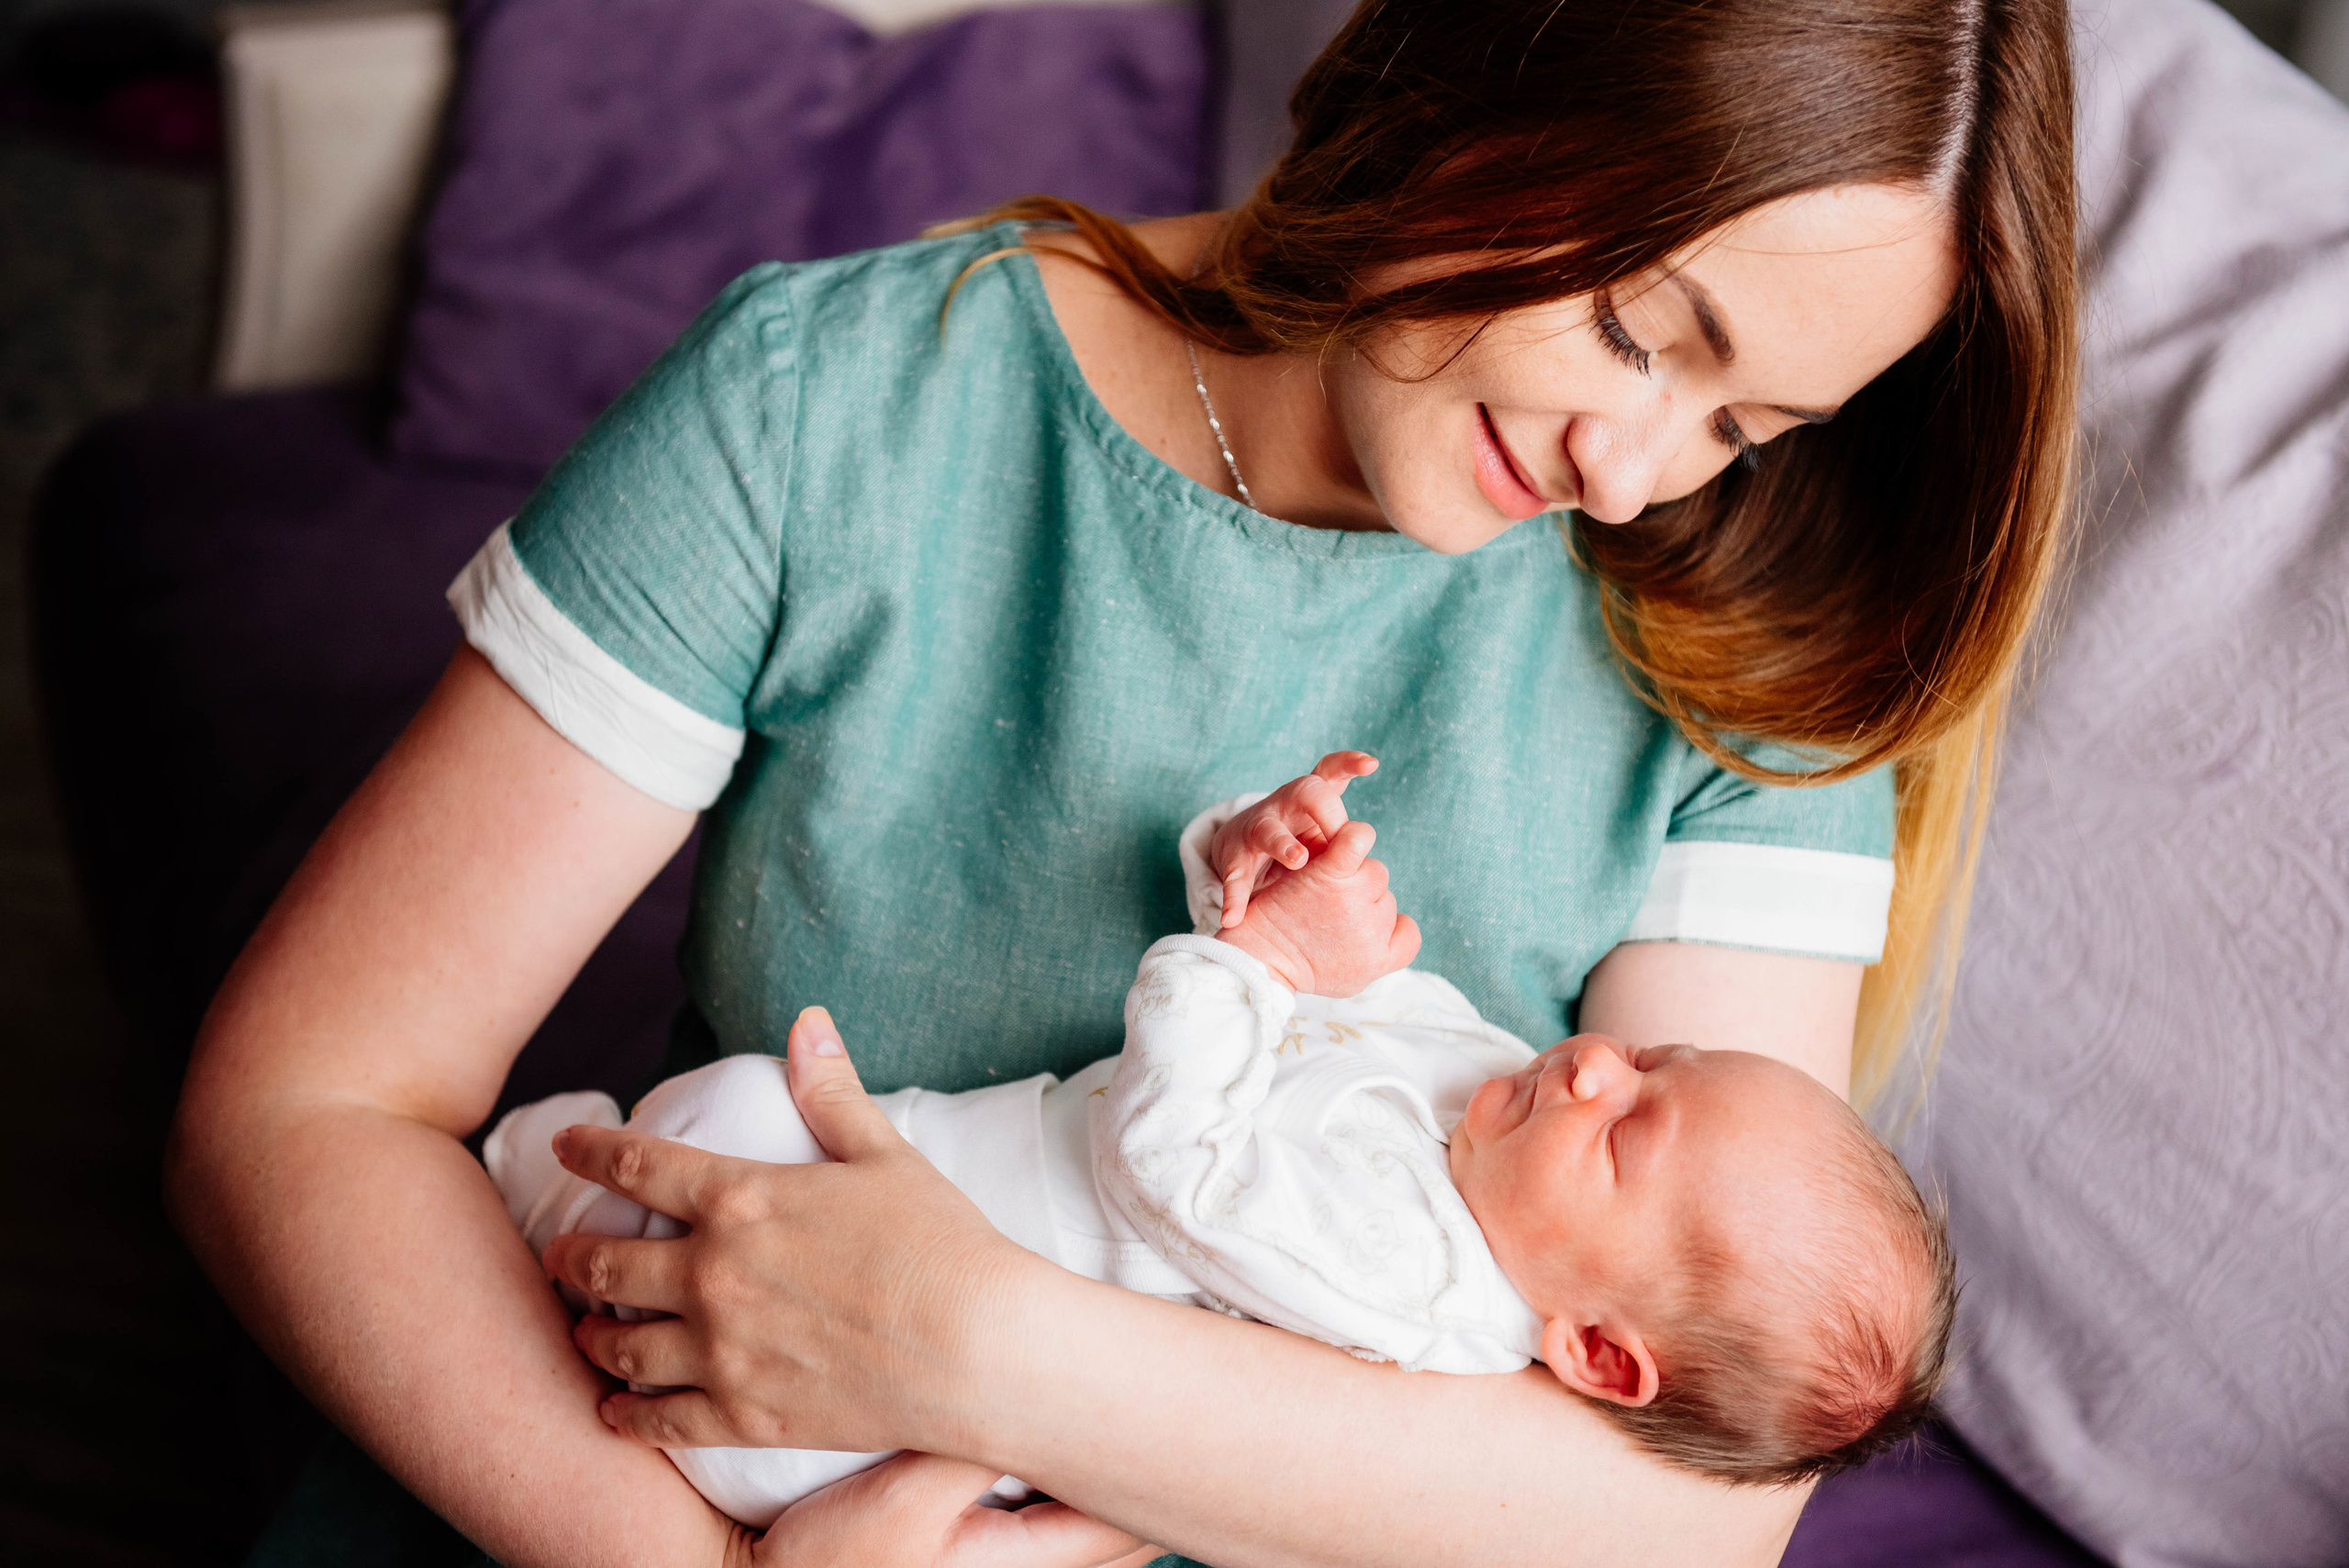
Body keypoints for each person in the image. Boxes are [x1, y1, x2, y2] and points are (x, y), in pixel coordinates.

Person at [168, 3, 2077, 1565]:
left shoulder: (1753, 631)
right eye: (1635, 328)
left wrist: (973, 1351)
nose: (1632, 470)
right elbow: (306, 1102)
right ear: (1480, 80)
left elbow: (1677, 1523)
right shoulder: (834, 407)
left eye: (1747, 423)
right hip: (673, 1461)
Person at [485, 759, 1954, 1527]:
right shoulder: (1498, 1109)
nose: (1591, 1066)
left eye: (1627, 1130)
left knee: (726, 1127)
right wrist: (1260, 865)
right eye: (1651, 1052)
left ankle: (532, 1183)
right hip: (896, 1233)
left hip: (849, 1406)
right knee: (699, 1149)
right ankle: (550, 1185)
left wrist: (1253, 970)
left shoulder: (1420, 1282)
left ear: (1596, 1354)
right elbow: (1341, 980)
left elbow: (1172, 1160)